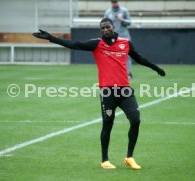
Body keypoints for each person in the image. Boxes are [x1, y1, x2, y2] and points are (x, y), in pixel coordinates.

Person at [33, 18, 165, 170]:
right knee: (107, 124)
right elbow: (74, 45)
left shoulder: (125, 43)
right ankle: (105, 160)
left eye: (107, 27)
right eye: (102, 28)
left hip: (125, 90)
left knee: (135, 120)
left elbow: (139, 58)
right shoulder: (96, 44)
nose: (104, 30)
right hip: (107, 92)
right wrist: (51, 38)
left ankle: (129, 157)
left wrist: (155, 68)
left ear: (113, 27)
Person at [104, 0, 133, 79]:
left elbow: (129, 22)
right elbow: (104, 24)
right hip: (112, 37)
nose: (114, 3)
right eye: (113, 2)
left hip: (124, 37)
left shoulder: (124, 11)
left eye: (115, 2)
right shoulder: (108, 12)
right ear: (111, 3)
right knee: (112, 56)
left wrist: (122, 19)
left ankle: (128, 74)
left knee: (126, 55)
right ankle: (114, 73)